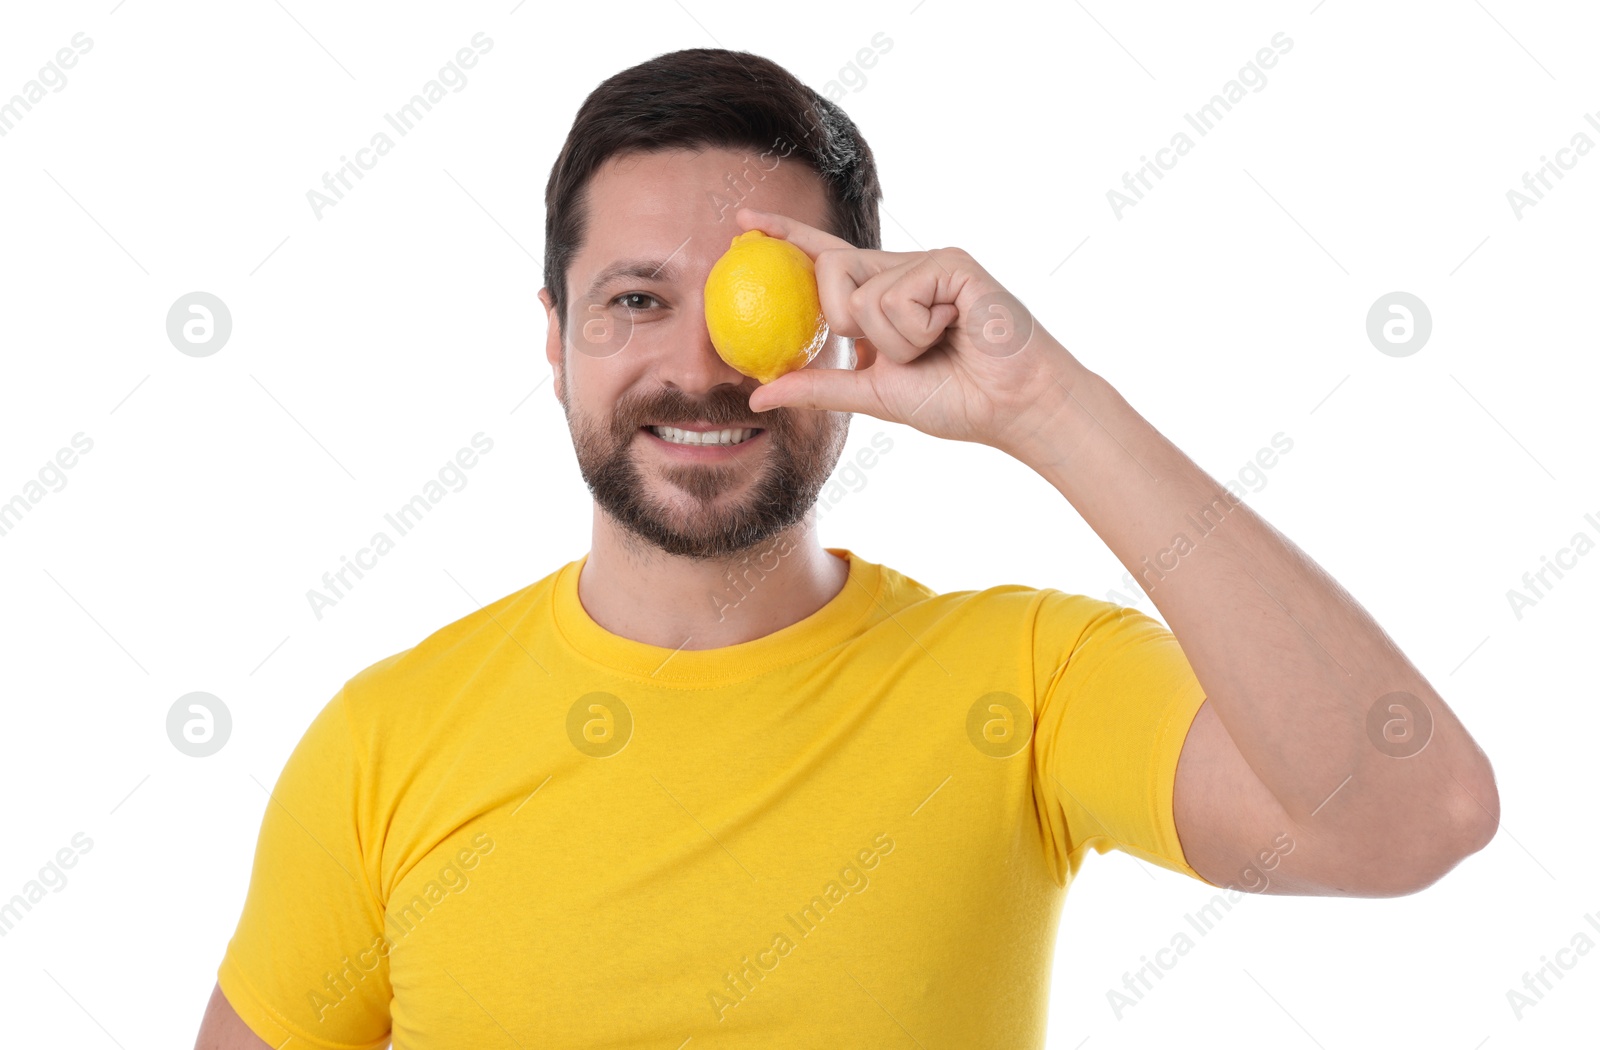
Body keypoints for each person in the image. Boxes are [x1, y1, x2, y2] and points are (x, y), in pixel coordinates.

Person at [195, 47, 1498, 1049]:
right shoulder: (382, 743)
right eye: (636, 300)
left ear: (844, 322)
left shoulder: (1029, 683)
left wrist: (1042, 400)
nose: (699, 367)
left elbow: (1414, 814)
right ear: (555, 335)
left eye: (751, 302)